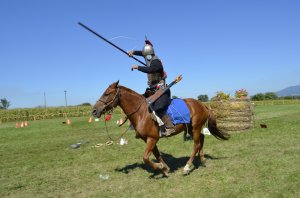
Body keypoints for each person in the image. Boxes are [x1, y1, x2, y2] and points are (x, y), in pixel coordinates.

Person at [128, 39, 175, 136]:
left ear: (149, 54)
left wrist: (138, 67)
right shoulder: (149, 57)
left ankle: (170, 127)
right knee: (139, 103)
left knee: (158, 108)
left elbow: (151, 69)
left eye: (145, 55)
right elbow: (142, 53)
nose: (145, 57)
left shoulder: (156, 61)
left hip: (162, 90)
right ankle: (138, 126)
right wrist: (133, 52)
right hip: (152, 89)